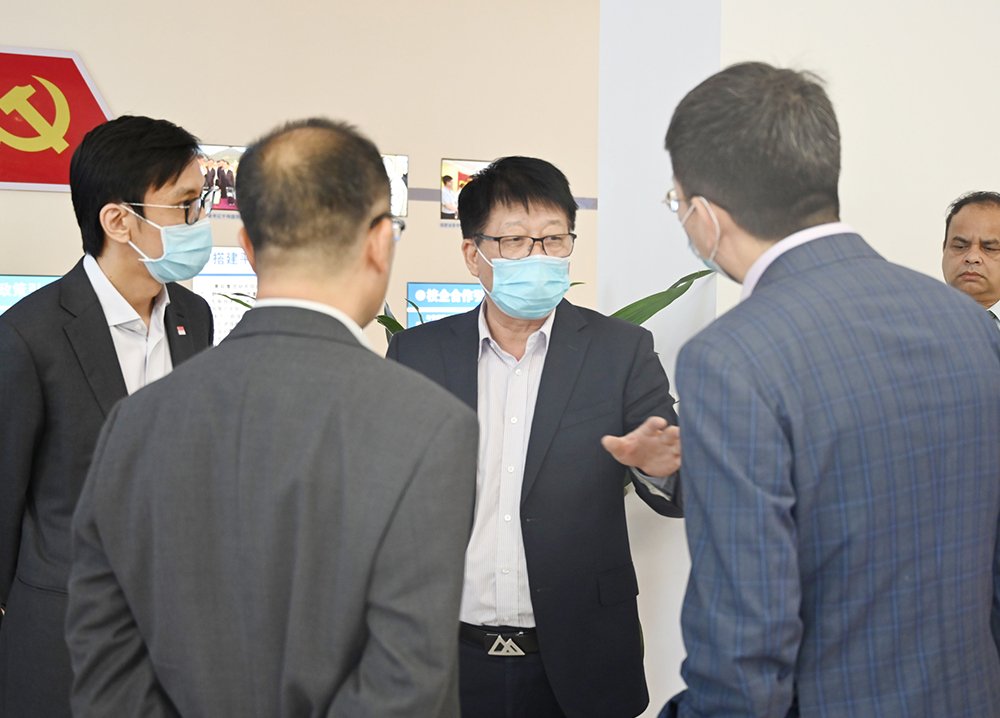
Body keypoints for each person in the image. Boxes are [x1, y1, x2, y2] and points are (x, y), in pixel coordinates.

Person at [65, 118, 479, 717]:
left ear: (248, 247)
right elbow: (407, 682)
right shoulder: (428, 427)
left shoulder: (135, 421)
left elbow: (104, 662)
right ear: (379, 241)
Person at [661, 62, 1000, 717]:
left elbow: (743, 649)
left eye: (675, 203)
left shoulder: (730, 359)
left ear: (702, 214)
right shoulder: (969, 325)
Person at [387, 156, 683, 718]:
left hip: (583, 658)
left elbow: (679, 492)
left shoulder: (620, 352)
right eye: (516, 241)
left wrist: (659, 466)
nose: (539, 256)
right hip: (447, 658)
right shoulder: (417, 354)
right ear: (473, 254)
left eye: (553, 239)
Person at [0, 115, 215, 718]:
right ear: (119, 221)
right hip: (63, 642)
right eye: (185, 206)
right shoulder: (28, 336)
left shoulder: (194, 317)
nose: (200, 222)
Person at [942, 191, 1000, 329]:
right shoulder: (911, 321)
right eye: (960, 247)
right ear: (944, 249)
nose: (972, 257)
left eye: (990, 248)